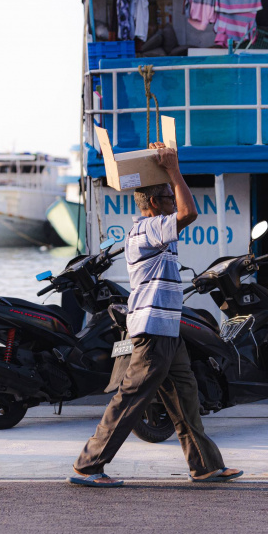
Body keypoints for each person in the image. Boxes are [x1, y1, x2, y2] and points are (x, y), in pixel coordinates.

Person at [68, 142, 243, 487]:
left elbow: (183, 212)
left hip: (168, 328)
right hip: (153, 329)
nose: (173, 202)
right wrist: (173, 170)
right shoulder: (146, 230)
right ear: (152, 204)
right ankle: (88, 466)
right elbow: (189, 213)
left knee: (185, 397)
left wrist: (166, 168)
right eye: (167, 197)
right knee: (132, 396)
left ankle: (205, 465)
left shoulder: (161, 233)